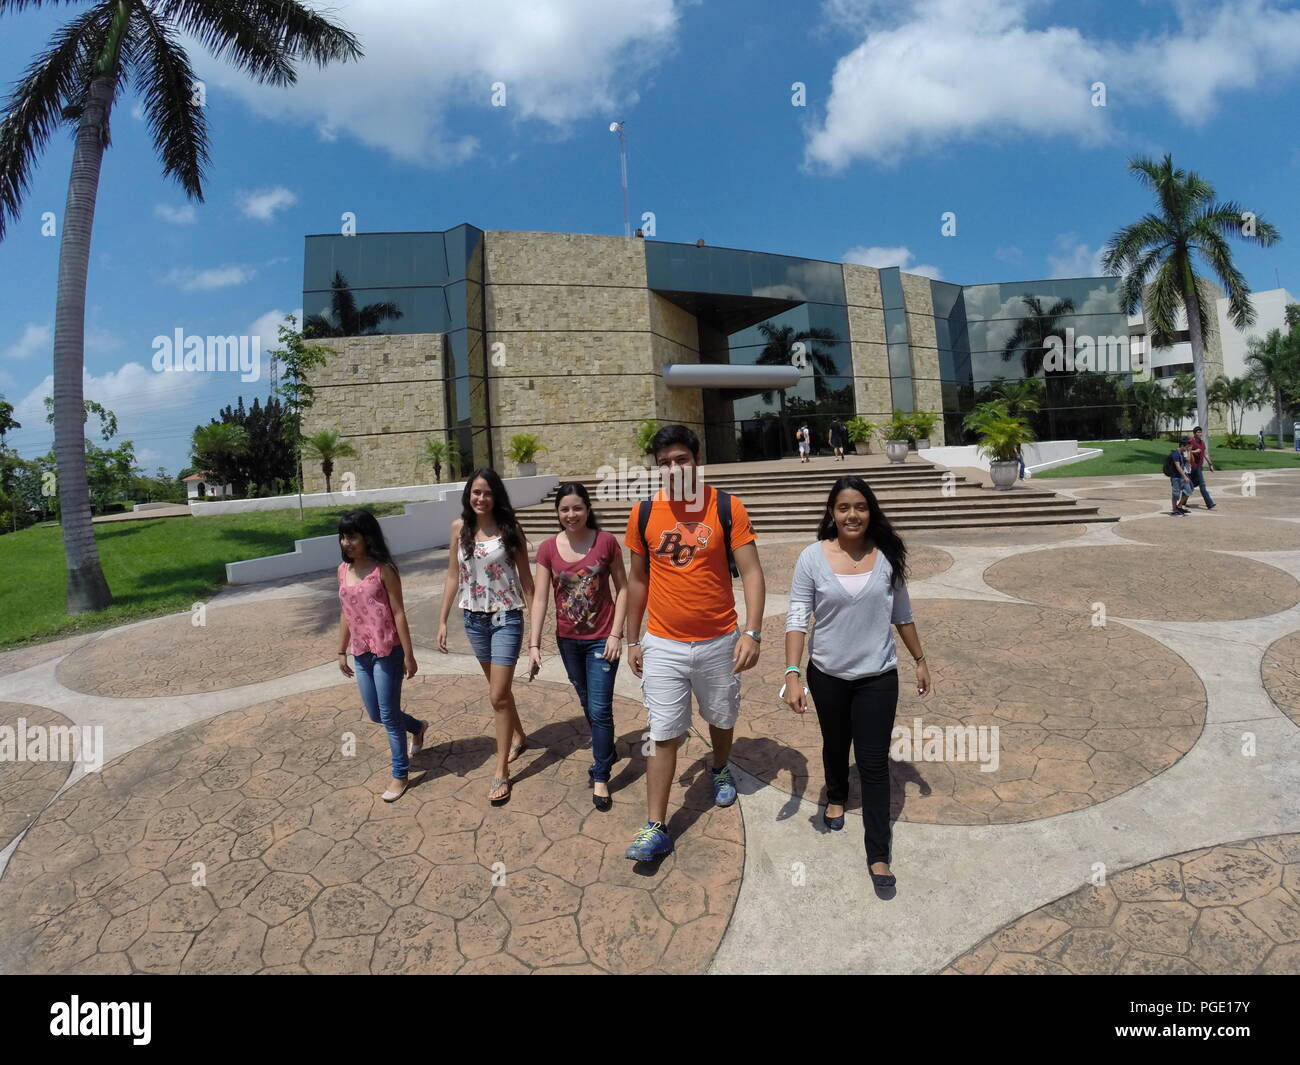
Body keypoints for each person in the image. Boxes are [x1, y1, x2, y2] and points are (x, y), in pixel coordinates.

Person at [623, 424, 766, 861]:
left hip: (719, 641)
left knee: (721, 716)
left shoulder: (725, 507)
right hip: (663, 643)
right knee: (664, 732)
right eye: (664, 462)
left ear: (696, 461)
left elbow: (754, 573)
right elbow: (637, 580)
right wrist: (632, 639)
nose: (673, 468)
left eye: (681, 459)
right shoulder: (644, 512)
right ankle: (656, 826)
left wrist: (753, 631)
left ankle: (720, 768)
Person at [783, 477, 930, 890]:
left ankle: (879, 853)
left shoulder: (887, 556)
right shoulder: (812, 557)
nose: (853, 515)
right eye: (844, 507)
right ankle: (834, 795)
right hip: (826, 674)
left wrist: (919, 659)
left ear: (871, 511)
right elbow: (797, 618)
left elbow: (902, 613)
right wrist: (793, 672)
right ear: (832, 512)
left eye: (861, 507)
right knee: (834, 743)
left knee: (874, 762)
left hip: (878, 677)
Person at [437, 468, 535, 804]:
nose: (481, 498)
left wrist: (537, 636)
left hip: (506, 617)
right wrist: (443, 620)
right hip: (474, 619)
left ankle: (501, 772)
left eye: (488, 493)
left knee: (496, 695)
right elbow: (453, 576)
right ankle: (519, 736)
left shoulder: (510, 530)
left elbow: (528, 582)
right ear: (468, 495)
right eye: (476, 492)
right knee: (501, 692)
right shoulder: (458, 529)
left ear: (497, 496)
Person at [529, 482, 628, 811]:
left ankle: (601, 773)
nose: (571, 515)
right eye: (564, 509)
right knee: (587, 702)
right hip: (568, 641)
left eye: (577, 508)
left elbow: (623, 589)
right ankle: (608, 749)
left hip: (602, 639)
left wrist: (616, 634)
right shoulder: (547, 549)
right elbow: (541, 597)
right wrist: (533, 645)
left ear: (587, 509)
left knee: (600, 709)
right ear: (557, 513)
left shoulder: (606, 542)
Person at [336, 509, 426, 803]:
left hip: (387, 651)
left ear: (367, 537)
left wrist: (409, 655)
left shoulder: (383, 569)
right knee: (376, 714)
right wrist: (341, 650)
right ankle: (417, 726)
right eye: (343, 537)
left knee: (388, 715)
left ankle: (400, 774)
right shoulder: (342, 570)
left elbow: (399, 611)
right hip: (361, 653)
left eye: (352, 536)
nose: (346, 542)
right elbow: (346, 613)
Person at [1184, 426, 1217, 510]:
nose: (1200, 434)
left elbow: (1205, 453)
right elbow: (1185, 451)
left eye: (1200, 432)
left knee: (1196, 485)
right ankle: (1209, 504)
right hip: (1191, 467)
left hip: (1199, 467)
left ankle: (1184, 501)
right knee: (1193, 485)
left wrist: (1210, 464)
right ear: (1194, 434)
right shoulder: (1190, 442)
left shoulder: (1202, 443)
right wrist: (1195, 451)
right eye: (1198, 432)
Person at [1165, 438, 1194, 516]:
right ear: (1182, 446)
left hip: (1181, 476)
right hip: (1176, 477)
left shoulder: (1181, 453)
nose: (1187, 448)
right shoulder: (1175, 454)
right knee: (1176, 494)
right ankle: (1174, 510)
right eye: (1186, 447)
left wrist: (1189, 451)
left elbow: (1188, 460)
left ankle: (1179, 506)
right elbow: (1178, 466)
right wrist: (1185, 476)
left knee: (1189, 490)